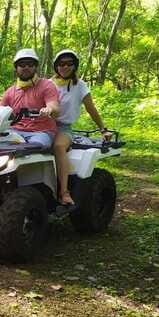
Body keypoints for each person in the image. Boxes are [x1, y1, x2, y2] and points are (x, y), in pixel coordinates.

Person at [51, 49, 112, 205]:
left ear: (75, 66)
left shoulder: (80, 85)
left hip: (63, 128)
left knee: (59, 146)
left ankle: (64, 192)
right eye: (61, 64)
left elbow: (91, 108)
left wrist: (103, 129)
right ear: (56, 66)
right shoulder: (48, 84)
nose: (65, 67)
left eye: (69, 64)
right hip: (42, 126)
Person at [0, 48, 60, 148]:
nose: (26, 67)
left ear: (35, 67)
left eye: (30, 64)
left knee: (31, 148)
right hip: (14, 131)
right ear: (16, 68)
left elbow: (55, 108)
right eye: (22, 64)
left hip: (41, 132)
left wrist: (49, 109)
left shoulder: (47, 85)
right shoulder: (10, 91)